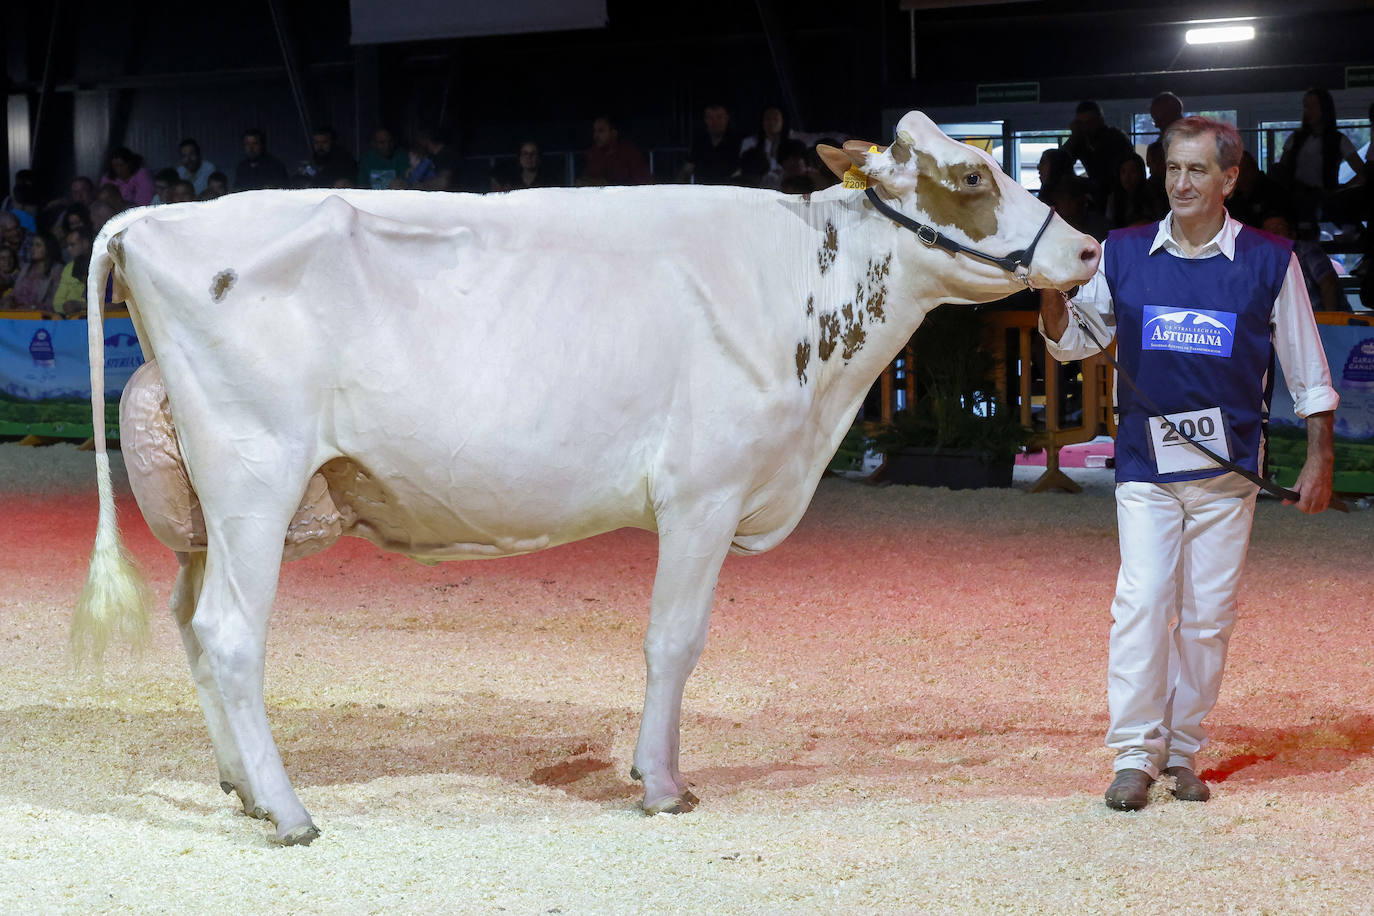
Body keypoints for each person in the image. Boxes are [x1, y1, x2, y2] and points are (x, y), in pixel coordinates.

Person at [1037, 116, 1338, 812]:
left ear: (1229, 179)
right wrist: (1052, 286)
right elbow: (1073, 340)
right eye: (1173, 169)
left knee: (1207, 617)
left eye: (1197, 170)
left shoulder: (1270, 259)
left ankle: (1181, 750)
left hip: (1229, 475)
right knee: (1142, 602)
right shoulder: (1126, 251)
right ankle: (1134, 755)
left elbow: (1307, 365)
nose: (1181, 182)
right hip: (1145, 466)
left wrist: (1320, 454)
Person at [1273, 87, 1366, 231]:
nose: (1308, 111)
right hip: (1297, 194)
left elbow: (1363, 172)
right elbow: (1282, 170)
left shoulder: (1338, 140)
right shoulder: (1295, 139)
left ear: (1324, 108)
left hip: (1324, 195)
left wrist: (1343, 190)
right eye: (1306, 106)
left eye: (1313, 105)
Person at [1059, 100, 1134, 217]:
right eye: (1082, 124)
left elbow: (1115, 175)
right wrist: (1073, 137)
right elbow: (1059, 162)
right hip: (1095, 196)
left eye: (1090, 122)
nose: (1087, 127)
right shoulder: (1081, 140)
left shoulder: (1116, 138)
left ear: (1101, 120)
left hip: (1120, 194)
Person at [1261, 212, 1345, 312]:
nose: (1274, 233)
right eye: (1268, 230)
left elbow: (1328, 283)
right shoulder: (1264, 261)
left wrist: (1330, 322)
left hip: (1324, 322)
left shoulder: (1306, 251)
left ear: (1292, 233)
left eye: (1279, 227)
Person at [677, 103, 740, 185]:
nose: (715, 122)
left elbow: (742, 172)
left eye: (719, 117)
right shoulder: (700, 143)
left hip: (729, 192)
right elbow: (687, 170)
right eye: (710, 118)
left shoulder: (738, 143)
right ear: (705, 120)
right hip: (703, 192)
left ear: (727, 118)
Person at [580, 115, 652, 186]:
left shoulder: (629, 152)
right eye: (594, 131)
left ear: (613, 133)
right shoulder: (594, 153)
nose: (596, 136)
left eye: (601, 131)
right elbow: (586, 180)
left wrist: (608, 185)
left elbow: (644, 184)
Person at [1106, 152, 1166, 229]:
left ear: (1140, 173)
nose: (1127, 177)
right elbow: (1109, 228)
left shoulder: (1151, 195)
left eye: (1133, 171)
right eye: (1123, 171)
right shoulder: (1114, 198)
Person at [738, 105, 791, 188]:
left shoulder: (792, 142)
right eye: (768, 119)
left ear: (783, 121)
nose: (771, 123)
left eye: (775, 119)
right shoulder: (749, 142)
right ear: (762, 121)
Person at [10, 232, 62, 311]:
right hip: (16, 311)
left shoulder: (57, 270)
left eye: (38, 245)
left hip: (38, 315)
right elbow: (14, 293)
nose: (33, 249)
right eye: (32, 245)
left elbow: (54, 302)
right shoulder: (25, 267)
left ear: (48, 248)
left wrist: (32, 308)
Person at [52, 224, 93, 316]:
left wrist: (79, 306)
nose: (69, 250)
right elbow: (57, 302)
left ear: (86, 243)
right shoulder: (69, 267)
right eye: (67, 246)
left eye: (72, 245)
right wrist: (66, 307)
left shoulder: (101, 266)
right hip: (69, 320)